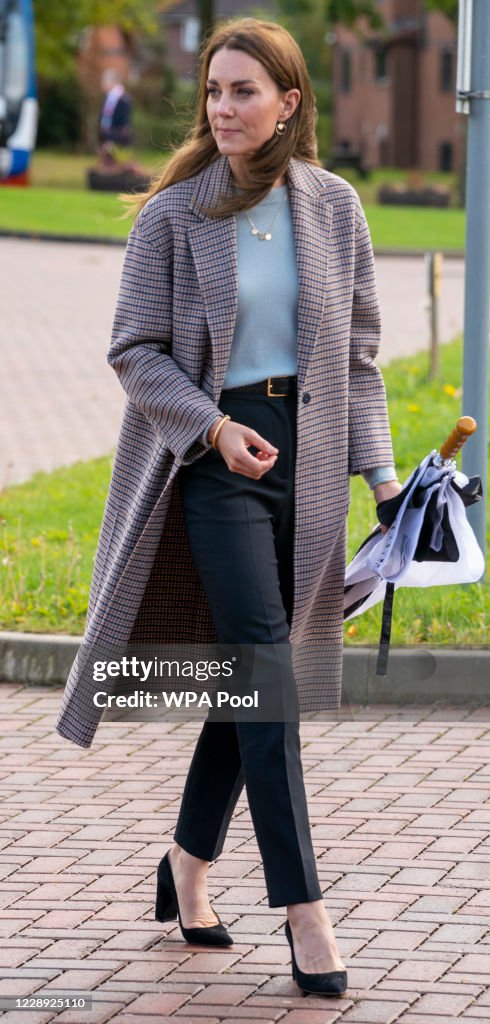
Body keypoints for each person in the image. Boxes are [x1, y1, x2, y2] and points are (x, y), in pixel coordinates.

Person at [56, 17, 402, 998]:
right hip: (214, 459)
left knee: (254, 677)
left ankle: (188, 869)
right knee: (264, 667)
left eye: (244, 91)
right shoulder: (175, 216)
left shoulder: (335, 209)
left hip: (313, 455)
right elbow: (134, 351)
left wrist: (382, 483)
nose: (223, 108)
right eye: (215, 91)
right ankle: (305, 909)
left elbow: (359, 361)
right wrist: (211, 428)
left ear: (290, 102)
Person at [98, 67, 132, 149]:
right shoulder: (109, 97)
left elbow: (124, 121)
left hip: (116, 136)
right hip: (107, 134)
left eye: (105, 81)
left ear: (113, 82)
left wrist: (115, 136)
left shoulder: (122, 98)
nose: (103, 83)